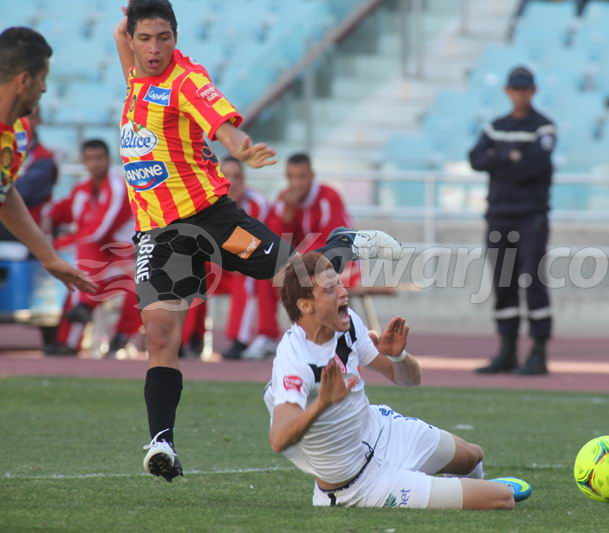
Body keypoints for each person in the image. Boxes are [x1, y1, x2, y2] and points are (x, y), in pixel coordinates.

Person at [113, 0, 402, 482]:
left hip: (211, 218)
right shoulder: (135, 77)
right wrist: (130, 20)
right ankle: (161, 441)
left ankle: (342, 242)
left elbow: (217, 120)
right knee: (160, 335)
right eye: (145, 38)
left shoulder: (184, 79)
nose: (154, 47)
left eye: (164, 37)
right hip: (160, 234)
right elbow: (120, 31)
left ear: (175, 38)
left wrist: (238, 145)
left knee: (299, 278)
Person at [264, 252, 529, 509]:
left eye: (341, 282)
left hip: (380, 432)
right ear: (305, 305)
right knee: (502, 498)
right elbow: (278, 440)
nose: (343, 292)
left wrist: (398, 356)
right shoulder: (295, 360)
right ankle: (471, 494)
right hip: (360, 483)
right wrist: (322, 404)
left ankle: (468, 492)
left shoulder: (347, 322)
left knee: (472, 456)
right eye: (330, 289)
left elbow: (409, 379)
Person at [469, 66, 556, 376]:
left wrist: (501, 158)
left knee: (533, 281)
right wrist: (511, 156)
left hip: (530, 216)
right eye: (515, 89)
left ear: (533, 91)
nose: (520, 94)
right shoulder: (497, 126)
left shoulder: (543, 126)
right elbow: (475, 159)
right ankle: (507, 349)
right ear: (508, 91)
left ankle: (538, 350)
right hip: (499, 217)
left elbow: (535, 165)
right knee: (503, 282)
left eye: (525, 89)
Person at [0, 26, 95, 294]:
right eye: (43, 79)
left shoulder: (19, 133)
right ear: (24, 81)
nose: (44, 88)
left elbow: (4, 194)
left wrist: (48, 256)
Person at [42, 139, 140, 356]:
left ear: (108, 159)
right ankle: (70, 339)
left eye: (99, 158)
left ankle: (89, 324)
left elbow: (98, 231)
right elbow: (59, 209)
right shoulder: (83, 189)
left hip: (125, 256)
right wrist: (48, 220)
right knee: (79, 276)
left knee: (86, 272)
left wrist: (56, 243)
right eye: (89, 159)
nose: (94, 164)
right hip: (99, 264)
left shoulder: (118, 188)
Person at [181, 156, 281, 359]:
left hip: (246, 263)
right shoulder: (203, 200)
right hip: (217, 262)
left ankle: (239, 340)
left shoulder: (257, 204)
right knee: (192, 270)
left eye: (238, 177)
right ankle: (188, 339)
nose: (232, 182)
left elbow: (255, 247)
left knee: (247, 277)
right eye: (226, 176)